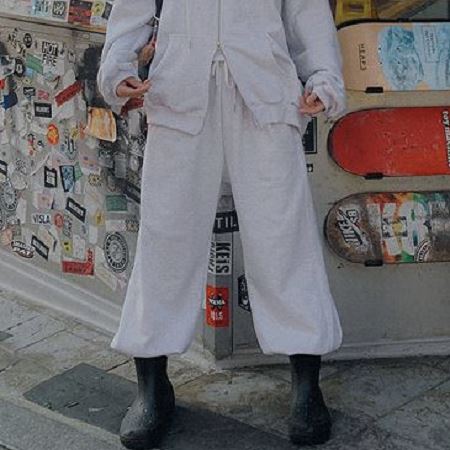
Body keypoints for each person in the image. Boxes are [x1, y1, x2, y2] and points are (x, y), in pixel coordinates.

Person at [98, 0, 346, 448]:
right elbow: (130, 14)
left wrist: (323, 77)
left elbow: (307, 11)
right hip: (178, 90)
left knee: (283, 236)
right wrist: (117, 73)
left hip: (266, 90)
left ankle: (307, 382)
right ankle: (152, 382)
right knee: (165, 237)